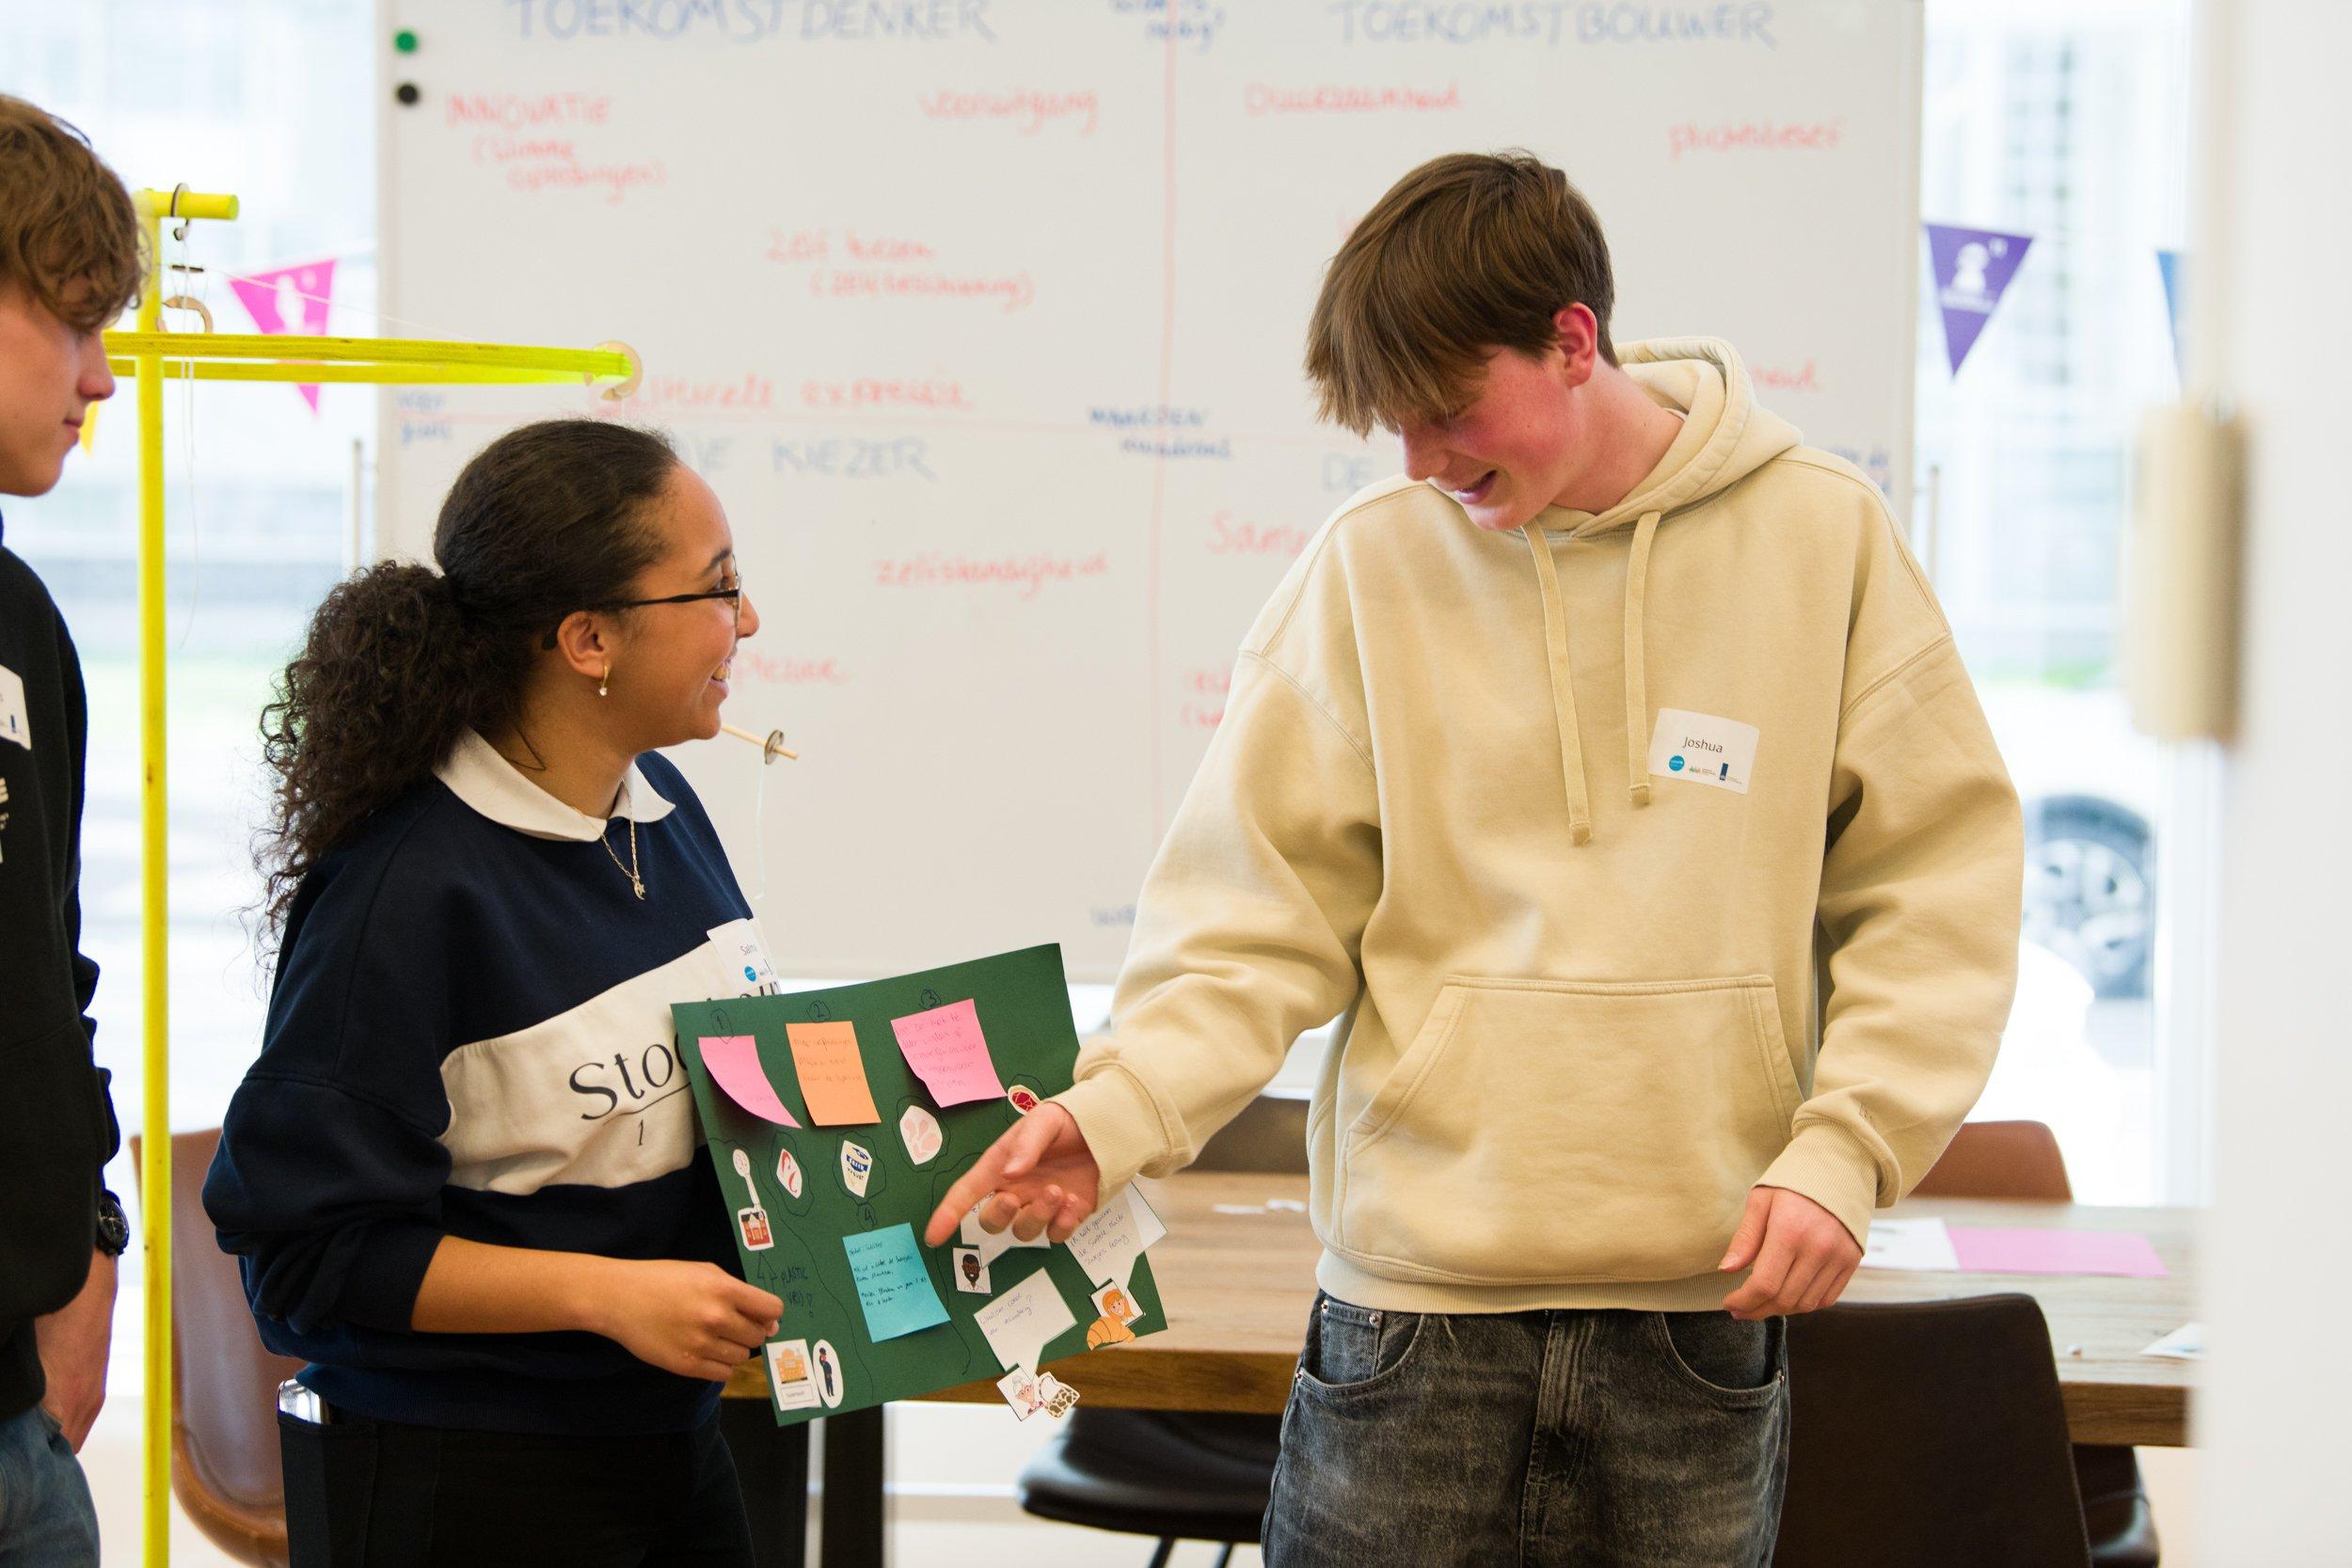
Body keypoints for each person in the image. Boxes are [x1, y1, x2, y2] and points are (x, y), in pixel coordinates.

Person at [929, 151, 2023, 1564]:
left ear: (1573, 340)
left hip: (1703, 1314)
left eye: (1448, 411)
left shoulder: (1824, 535)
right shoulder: (1368, 566)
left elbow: (1937, 885)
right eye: (1395, 426)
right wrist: (1117, 1108)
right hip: (1410, 1322)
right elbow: (1253, 915)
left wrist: (1848, 1150)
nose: (1423, 463)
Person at [205, 419, 786, 1565]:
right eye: (719, 588)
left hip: (667, 1443)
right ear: (587, 638)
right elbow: (305, 1261)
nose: (749, 620)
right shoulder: (409, 892)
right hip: (470, 1475)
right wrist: (606, 1295)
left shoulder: (660, 809)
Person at [0, 93, 141, 1568]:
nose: (100, 376)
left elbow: (49, 974)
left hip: (16, 1417)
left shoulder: (22, 621)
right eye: (76, 322)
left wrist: (91, 1236)